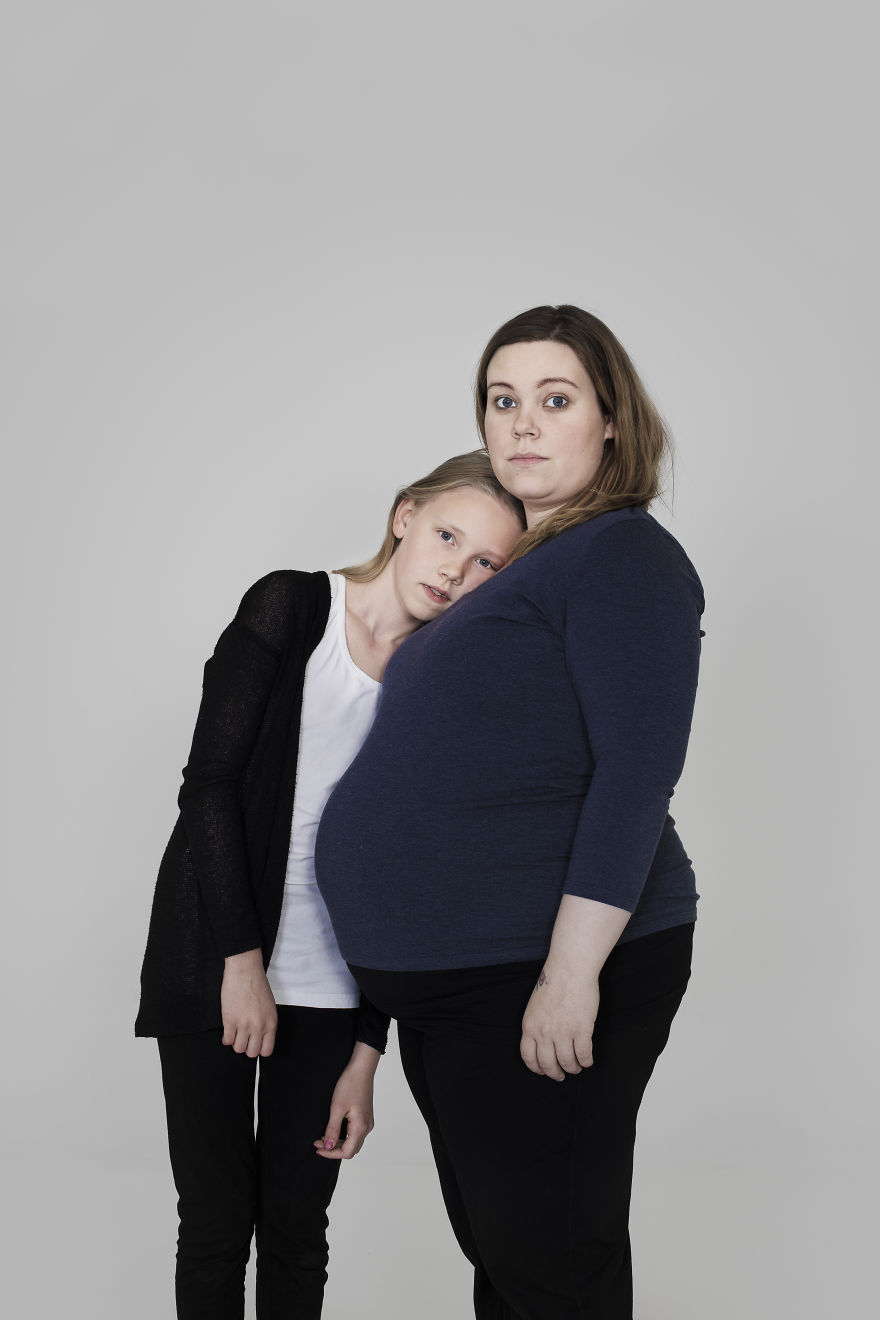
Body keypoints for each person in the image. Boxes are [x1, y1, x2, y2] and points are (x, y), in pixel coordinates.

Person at [316, 305, 705, 1319]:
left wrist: (570, 975)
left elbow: (634, 774)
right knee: (510, 1253)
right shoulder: (518, 567)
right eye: (502, 400)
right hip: (458, 983)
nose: (522, 423)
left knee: (549, 1264)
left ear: (610, 420)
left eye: (555, 398)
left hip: (535, 969)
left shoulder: (623, 556)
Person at [134, 450, 525, 1320]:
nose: (455, 571)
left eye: (485, 562)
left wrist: (367, 1049)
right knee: (213, 1223)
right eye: (446, 536)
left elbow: (410, 872)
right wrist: (242, 964)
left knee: (297, 1230)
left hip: (336, 987)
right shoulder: (291, 604)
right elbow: (209, 785)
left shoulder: (439, 681)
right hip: (216, 957)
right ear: (403, 517)